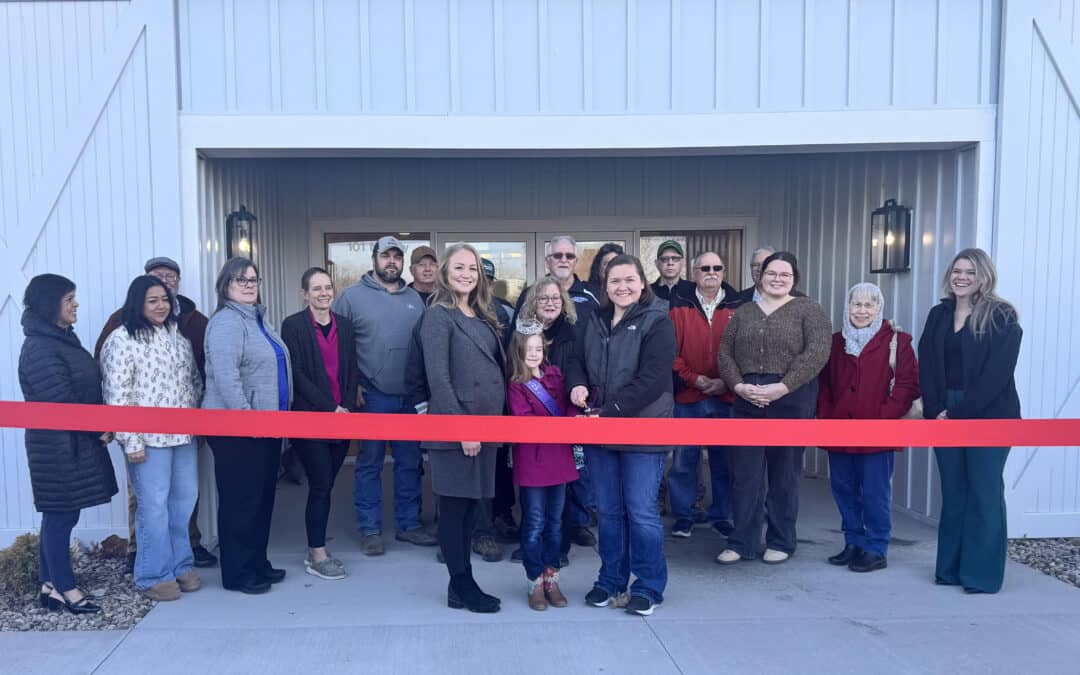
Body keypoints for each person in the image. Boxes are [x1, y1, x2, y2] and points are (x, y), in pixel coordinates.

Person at [568, 254, 677, 617]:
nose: (623, 287)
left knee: (641, 511)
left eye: (630, 280)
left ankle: (648, 586)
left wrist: (611, 410)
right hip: (601, 431)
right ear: (606, 285)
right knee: (609, 512)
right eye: (615, 281)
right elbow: (575, 360)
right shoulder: (594, 319)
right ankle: (611, 580)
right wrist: (577, 385)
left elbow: (654, 378)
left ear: (642, 283)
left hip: (643, 431)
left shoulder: (657, 321)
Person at [94, 256, 216, 572]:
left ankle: (181, 566)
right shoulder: (121, 338)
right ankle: (153, 573)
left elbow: (194, 382)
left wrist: (198, 424)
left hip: (184, 437)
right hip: (148, 441)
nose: (161, 306)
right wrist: (130, 440)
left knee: (184, 502)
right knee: (154, 507)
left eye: (164, 299)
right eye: (153, 300)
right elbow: (117, 393)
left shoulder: (177, 337)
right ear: (138, 303)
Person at [717, 251, 831, 565]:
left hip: (791, 398)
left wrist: (782, 387)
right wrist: (738, 386)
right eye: (771, 273)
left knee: (784, 474)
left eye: (784, 274)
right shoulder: (744, 312)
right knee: (745, 475)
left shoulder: (809, 309)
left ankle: (781, 540)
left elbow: (817, 353)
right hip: (747, 397)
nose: (777, 279)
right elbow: (725, 354)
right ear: (761, 276)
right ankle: (742, 541)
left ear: (794, 279)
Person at [919, 248, 1021, 594]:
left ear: (984, 277)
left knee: (984, 491)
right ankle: (950, 570)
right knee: (955, 491)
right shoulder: (939, 314)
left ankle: (981, 575)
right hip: (944, 410)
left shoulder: (1002, 316)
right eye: (957, 271)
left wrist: (958, 413)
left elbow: (997, 374)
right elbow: (927, 362)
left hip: (990, 412)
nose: (961, 277)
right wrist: (935, 409)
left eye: (970, 272)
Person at [19, 274, 118, 614]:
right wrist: (97, 429)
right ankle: (66, 588)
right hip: (56, 447)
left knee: (60, 514)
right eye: (68, 299)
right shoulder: (40, 347)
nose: (75, 304)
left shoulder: (59, 338)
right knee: (61, 515)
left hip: (68, 442)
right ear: (51, 305)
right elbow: (61, 401)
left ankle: (49, 585)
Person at [333, 235, 437, 555]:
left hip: (410, 397)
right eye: (385, 256)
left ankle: (408, 525)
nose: (391, 261)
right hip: (373, 396)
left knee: (409, 463)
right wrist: (351, 386)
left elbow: (425, 346)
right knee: (370, 463)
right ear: (374, 259)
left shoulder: (414, 299)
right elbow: (338, 347)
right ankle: (370, 529)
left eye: (397, 256)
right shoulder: (351, 298)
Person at [421, 243, 507, 613]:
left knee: (473, 510)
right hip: (460, 430)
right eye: (459, 267)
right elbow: (439, 379)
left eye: (473, 268)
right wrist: (462, 429)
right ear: (445, 272)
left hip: (487, 426)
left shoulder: (482, 313)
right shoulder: (438, 316)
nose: (467, 274)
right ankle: (461, 584)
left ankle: (463, 583)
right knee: (455, 511)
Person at [203, 258, 292, 595]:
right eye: (241, 280)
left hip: (266, 427)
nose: (249, 285)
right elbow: (227, 378)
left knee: (261, 499)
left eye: (253, 279)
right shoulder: (227, 322)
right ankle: (238, 573)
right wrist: (246, 418)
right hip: (238, 431)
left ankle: (257, 562)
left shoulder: (258, 319)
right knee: (241, 502)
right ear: (225, 286)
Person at [817, 282, 920, 573]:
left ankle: (876, 547)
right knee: (843, 488)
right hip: (840, 429)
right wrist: (827, 418)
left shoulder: (898, 342)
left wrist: (883, 418)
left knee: (875, 492)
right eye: (856, 304)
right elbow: (825, 385)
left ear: (878, 308)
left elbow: (907, 385)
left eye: (868, 305)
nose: (861, 311)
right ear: (847, 307)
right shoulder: (835, 342)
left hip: (878, 431)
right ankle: (853, 541)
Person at [513, 236, 599, 552]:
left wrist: (578, 387)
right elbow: (512, 369)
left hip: (562, 412)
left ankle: (561, 542)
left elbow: (578, 364)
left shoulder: (573, 330)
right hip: (528, 417)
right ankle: (532, 544)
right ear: (532, 301)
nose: (550, 303)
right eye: (543, 299)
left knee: (567, 480)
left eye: (555, 299)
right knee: (533, 487)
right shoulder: (521, 333)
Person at [281, 267, 360, 581]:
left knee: (326, 483)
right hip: (311, 420)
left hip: (343, 419)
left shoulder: (346, 326)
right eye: (316, 288)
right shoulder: (293, 326)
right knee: (322, 483)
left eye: (328, 287)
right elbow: (297, 374)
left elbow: (352, 369)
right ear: (305, 294)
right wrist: (331, 408)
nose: (324, 293)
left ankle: (317, 548)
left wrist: (347, 407)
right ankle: (316, 553)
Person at [667, 252, 744, 539]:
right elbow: (670, 352)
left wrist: (727, 382)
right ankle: (684, 516)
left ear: (723, 272)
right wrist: (694, 379)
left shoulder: (739, 306)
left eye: (717, 268)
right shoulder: (679, 306)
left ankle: (722, 516)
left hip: (726, 397)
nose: (711, 272)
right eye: (705, 268)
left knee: (725, 462)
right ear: (694, 272)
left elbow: (745, 352)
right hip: (689, 397)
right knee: (684, 462)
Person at [506, 319, 578, 611]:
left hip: (559, 457)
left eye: (538, 348)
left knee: (556, 523)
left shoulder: (555, 375)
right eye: (529, 349)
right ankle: (534, 581)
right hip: (533, 460)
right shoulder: (516, 384)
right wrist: (558, 425)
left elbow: (569, 406)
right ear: (519, 351)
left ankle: (552, 579)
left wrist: (575, 413)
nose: (534, 353)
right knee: (535, 522)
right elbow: (524, 420)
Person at [471, 257, 517, 561]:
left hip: (500, 402)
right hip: (467, 405)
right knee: (471, 470)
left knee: (500, 466)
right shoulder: (449, 311)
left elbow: (514, 354)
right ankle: (476, 531)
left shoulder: (504, 311)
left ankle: (501, 516)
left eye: (488, 280)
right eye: (479, 278)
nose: (483, 285)